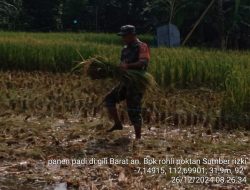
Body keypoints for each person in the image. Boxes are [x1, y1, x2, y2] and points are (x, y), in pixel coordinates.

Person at [104, 25, 150, 140]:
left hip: (136, 84)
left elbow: (143, 62)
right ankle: (118, 124)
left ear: (132, 35)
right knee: (109, 99)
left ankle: (138, 138)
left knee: (133, 109)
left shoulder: (142, 46)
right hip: (125, 82)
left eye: (124, 36)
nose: (123, 38)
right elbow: (123, 65)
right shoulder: (124, 49)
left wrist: (128, 66)